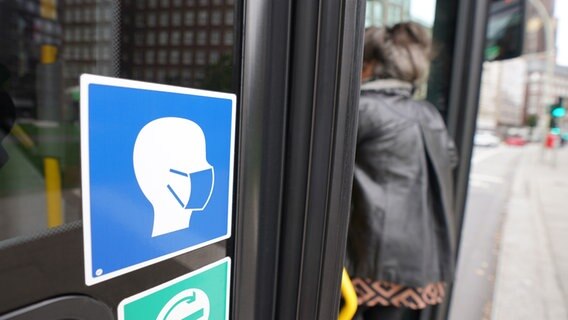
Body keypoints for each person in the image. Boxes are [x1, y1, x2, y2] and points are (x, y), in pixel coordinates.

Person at [346, 23, 458, 320]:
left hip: (369, 265)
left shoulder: (363, 108)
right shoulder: (428, 113)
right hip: (421, 267)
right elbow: (450, 160)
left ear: (369, 65)